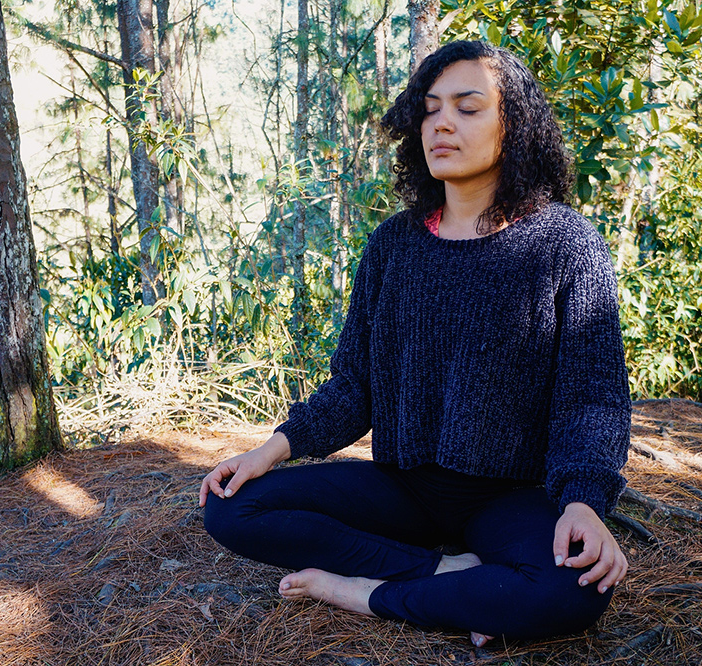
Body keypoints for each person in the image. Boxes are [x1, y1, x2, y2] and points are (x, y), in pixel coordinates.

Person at [199, 40, 631, 647]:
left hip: (508, 500)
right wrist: (271, 450)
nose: (442, 124)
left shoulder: (564, 245)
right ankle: (444, 577)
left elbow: (592, 399)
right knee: (232, 506)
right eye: (429, 110)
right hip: (403, 486)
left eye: (468, 107)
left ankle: (362, 591)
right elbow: (354, 387)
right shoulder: (393, 247)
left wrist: (584, 502)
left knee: (577, 588)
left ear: (516, 125)